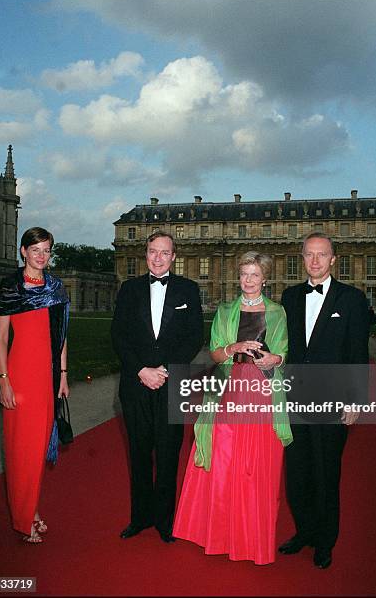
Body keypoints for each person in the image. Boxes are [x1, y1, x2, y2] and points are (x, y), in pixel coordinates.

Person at [173, 252, 293, 565]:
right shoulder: (226, 311)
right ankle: (221, 533)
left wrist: (274, 359)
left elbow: (283, 353)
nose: (249, 281)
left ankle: (252, 538)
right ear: (238, 277)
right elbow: (214, 354)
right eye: (244, 275)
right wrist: (234, 348)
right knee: (225, 459)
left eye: (255, 275)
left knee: (256, 463)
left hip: (264, 391)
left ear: (265, 278)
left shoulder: (278, 312)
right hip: (229, 388)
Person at [279, 232, 369, 569]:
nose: (315, 261)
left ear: (333, 259)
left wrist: (355, 400)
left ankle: (325, 541)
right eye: (309, 255)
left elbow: (357, 353)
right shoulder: (289, 297)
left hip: (332, 402)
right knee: (297, 474)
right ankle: (304, 532)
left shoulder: (351, 299)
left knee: (326, 474)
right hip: (294, 401)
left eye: (322, 255)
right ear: (301, 258)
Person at [111, 231, 204, 543]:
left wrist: (163, 370)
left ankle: (165, 521)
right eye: (153, 251)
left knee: (167, 454)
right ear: (145, 254)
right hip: (135, 384)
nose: (159, 257)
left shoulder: (189, 290)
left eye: (165, 252)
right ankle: (139, 518)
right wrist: (141, 369)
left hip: (170, 383)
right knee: (138, 453)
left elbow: (194, 338)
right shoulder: (129, 289)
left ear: (174, 256)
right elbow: (119, 336)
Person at [0, 227, 69, 544]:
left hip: (48, 377)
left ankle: (33, 510)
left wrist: (63, 375)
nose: (41, 256)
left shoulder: (56, 288)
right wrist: (4, 381)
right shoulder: (10, 287)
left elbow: (61, 336)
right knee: (20, 449)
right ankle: (25, 518)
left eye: (46, 250)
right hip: (20, 375)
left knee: (39, 449)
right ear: (23, 251)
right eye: (35, 249)